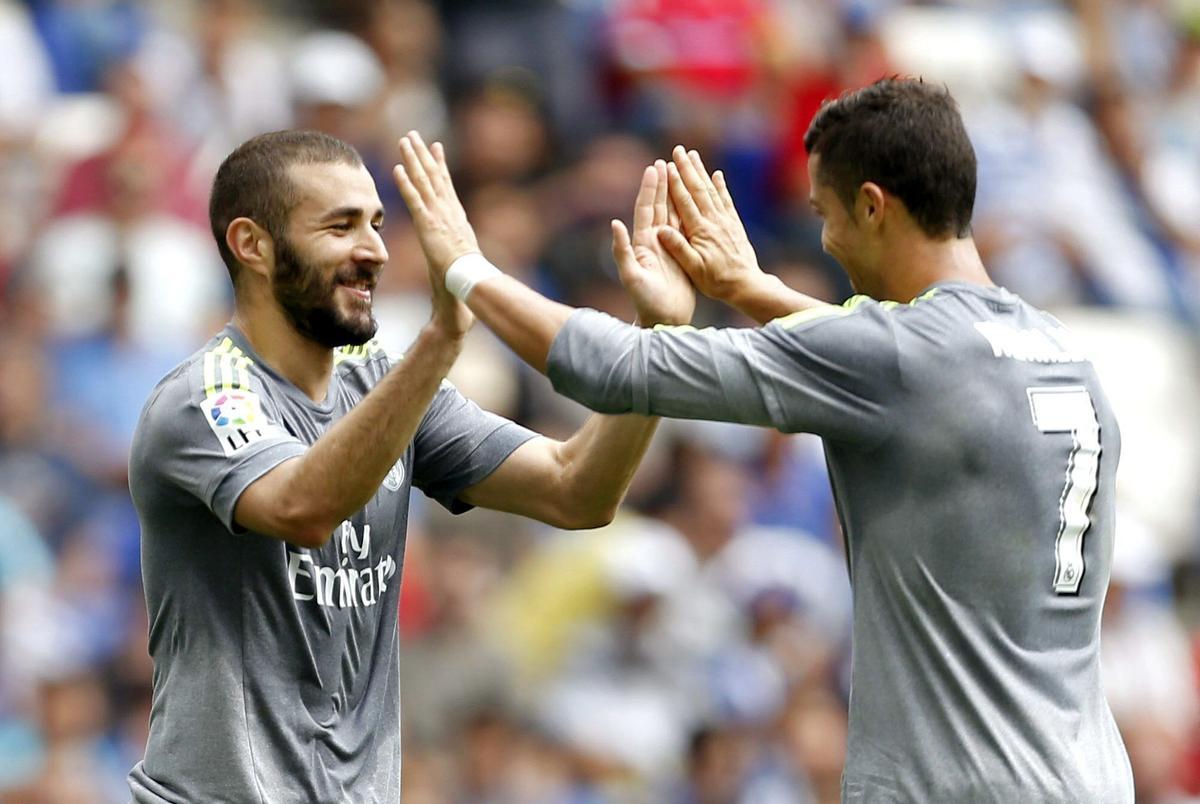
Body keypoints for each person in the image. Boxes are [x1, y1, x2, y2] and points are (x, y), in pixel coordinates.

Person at [394, 77, 1135, 802]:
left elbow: (611, 368)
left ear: (872, 207)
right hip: (1090, 775)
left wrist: (468, 268)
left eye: (826, 213)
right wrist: (747, 288)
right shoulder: (1061, 351)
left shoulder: (896, 359)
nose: (825, 238)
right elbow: (888, 356)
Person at [125, 129, 693, 802]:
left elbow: (578, 492)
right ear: (252, 244)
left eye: (376, 224)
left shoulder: (383, 385)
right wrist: (444, 338)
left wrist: (657, 344)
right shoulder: (206, 396)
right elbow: (301, 508)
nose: (374, 250)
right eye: (340, 227)